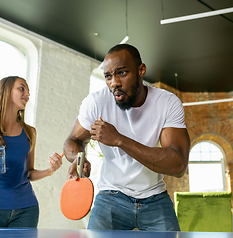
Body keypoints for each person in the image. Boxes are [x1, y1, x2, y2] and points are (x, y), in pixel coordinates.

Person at [63, 44, 190, 231]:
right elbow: (73, 140)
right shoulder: (97, 102)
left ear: (141, 70)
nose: (114, 82)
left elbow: (178, 164)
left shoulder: (167, 103)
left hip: (155, 197)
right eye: (108, 76)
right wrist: (77, 158)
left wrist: (119, 140)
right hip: (110, 196)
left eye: (122, 73)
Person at [0, 76, 63, 228]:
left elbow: (28, 173)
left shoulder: (29, 132)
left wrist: (50, 171)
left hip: (26, 210)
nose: (27, 94)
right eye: (22, 88)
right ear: (4, 90)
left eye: (28, 90)